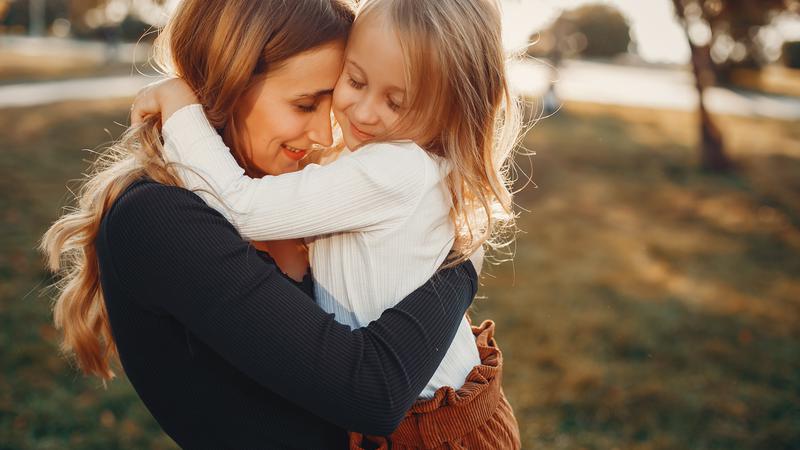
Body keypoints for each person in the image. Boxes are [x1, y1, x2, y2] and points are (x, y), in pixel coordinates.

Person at [39, 1, 479, 449]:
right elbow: (372, 392)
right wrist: (462, 265)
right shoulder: (157, 217)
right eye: (306, 104)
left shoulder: (286, 193)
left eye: (329, 103)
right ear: (230, 83)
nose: (327, 136)